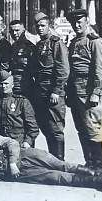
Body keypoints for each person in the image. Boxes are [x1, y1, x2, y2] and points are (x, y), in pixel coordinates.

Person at [0, 112, 102, 192]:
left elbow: (11, 143)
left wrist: (13, 162)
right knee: (54, 177)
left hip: (21, 156)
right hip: (11, 172)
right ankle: (96, 182)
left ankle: (101, 174)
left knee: (60, 164)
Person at [66, 9, 102, 176]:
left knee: (92, 128)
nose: (76, 25)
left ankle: (99, 167)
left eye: (80, 21)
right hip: (75, 92)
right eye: (74, 23)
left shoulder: (94, 42)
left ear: (87, 21)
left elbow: (100, 69)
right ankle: (89, 164)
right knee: (81, 129)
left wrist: (96, 92)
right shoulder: (74, 42)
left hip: (88, 90)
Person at [34, 12, 69, 161]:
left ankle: (60, 161)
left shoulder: (56, 43)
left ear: (50, 26)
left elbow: (63, 69)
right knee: (46, 127)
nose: (40, 28)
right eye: (37, 26)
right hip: (41, 91)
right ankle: (54, 161)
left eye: (43, 26)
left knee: (55, 128)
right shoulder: (39, 44)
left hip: (53, 92)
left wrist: (56, 90)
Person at [0, 71, 39, 148]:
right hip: (2, 143)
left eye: (6, 84)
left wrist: (27, 142)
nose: (3, 86)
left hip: (19, 142)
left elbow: (33, 128)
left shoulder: (22, 102)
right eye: (1, 84)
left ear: (12, 85)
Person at [8, 20, 38, 99]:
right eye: (11, 31)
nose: (14, 33)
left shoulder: (30, 47)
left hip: (27, 85)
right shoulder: (13, 47)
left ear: (24, 30)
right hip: (14, 85)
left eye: (17, 30)